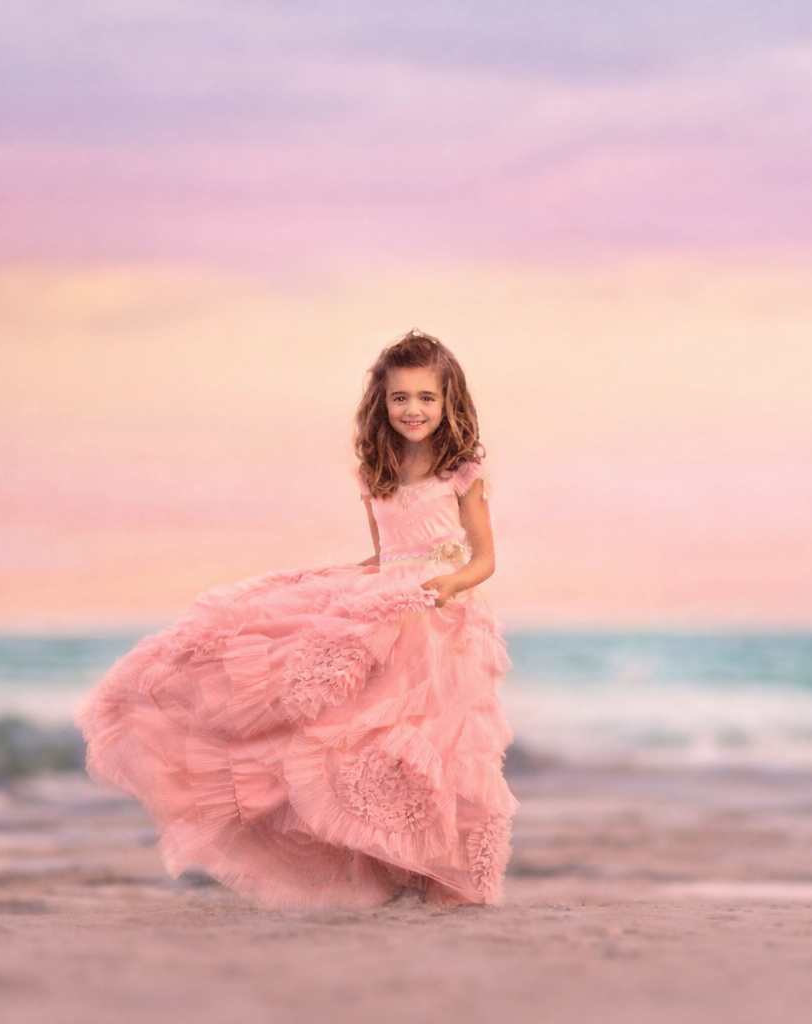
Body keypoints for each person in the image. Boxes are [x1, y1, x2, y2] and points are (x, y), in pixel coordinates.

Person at [74, 330, 516, 907]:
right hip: (384, 613)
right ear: (382, 403)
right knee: (358, 742)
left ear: (448, 400)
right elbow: (386, 555)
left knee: (441, 751)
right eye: (400, 398)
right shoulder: (375, 472)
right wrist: (340, 584)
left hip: (442, 625)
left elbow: (484, 558)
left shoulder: (462, 470)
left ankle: (447, 879)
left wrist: (448, 583)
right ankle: (391, 868)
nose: (413, 410)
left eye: (426, 398)